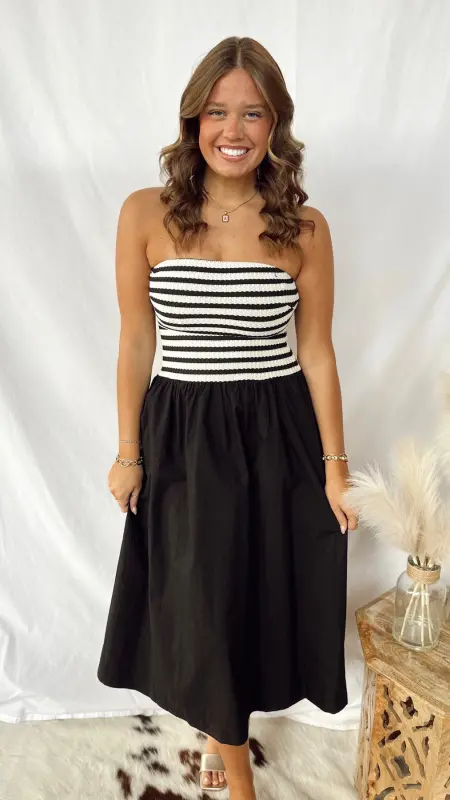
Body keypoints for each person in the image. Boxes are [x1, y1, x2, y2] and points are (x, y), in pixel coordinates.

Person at [97, 35, 358, 800]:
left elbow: (318, 354)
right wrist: (128, 450)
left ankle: (221, 735)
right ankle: (235, 764)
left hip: (275, 431)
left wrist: (336, 469)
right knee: (200, 597)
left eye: (253, 112)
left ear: (276, 124)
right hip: (182, 433)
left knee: (253, 594)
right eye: (217, 111)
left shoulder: (304, 228)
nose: (233, 130)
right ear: (193, 119)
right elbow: (136, 341)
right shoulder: (144, 214)